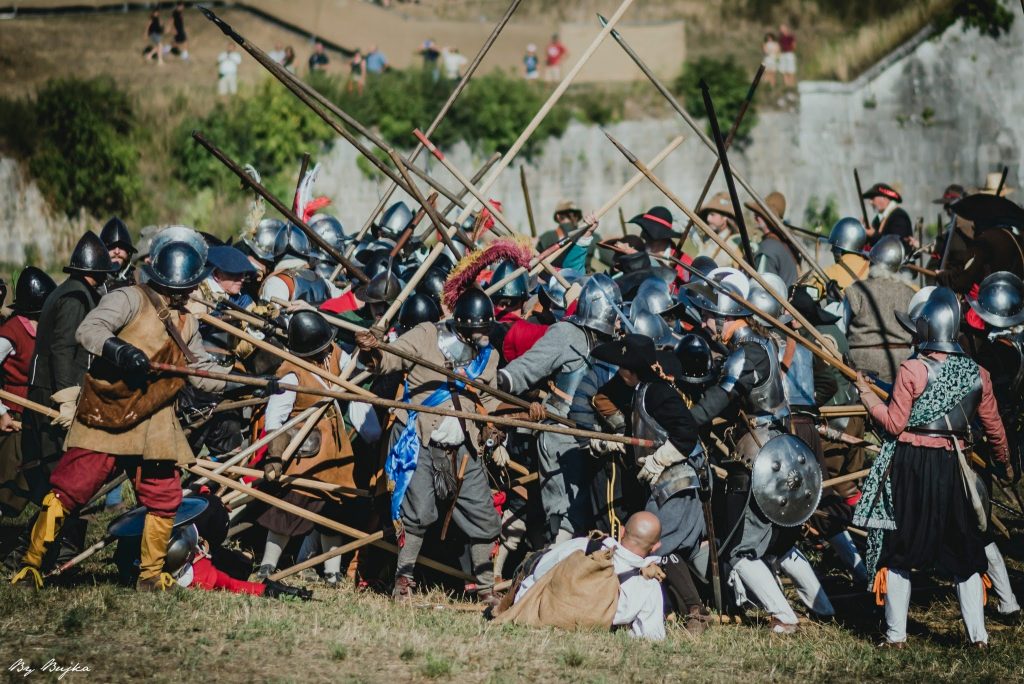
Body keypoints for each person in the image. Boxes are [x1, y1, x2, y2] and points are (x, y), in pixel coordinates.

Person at [10, 228, 242, 591]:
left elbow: (200, 373)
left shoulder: (187, 321)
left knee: (164, 496)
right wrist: (120, 351)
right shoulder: (128, 298)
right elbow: (89, 330)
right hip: (110, 411)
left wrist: (239, 381)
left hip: (155, 418)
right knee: (69, 488)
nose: (186, 293)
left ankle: (150, 577)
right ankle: (31, 564)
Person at [853, 287, 1012, 647]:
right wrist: (1003, 462)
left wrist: (865, 395)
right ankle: (978, 638)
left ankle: (896, 636)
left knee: (900, 550)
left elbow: (894, 424)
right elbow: (994, 428)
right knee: (964, 551)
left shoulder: (912, 368)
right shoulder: (978, 373)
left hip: (911, 466)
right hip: (954, 464)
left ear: (925, 327)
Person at [355, 288, 502, 605]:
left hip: (463, 448)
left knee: (484, 518)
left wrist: (495, 425)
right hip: (418, 440)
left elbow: (489, 401)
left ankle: (486, 589)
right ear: (463, 325)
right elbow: (388, 359)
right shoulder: (426, 335)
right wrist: (373, 350)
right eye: (478, 330)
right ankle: (403, 582)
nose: (483, 336)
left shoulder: (488, 356)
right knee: (418, 514)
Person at [497, 275, 623, 542]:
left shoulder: (614, 345)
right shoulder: (567, 333)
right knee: (567, 513)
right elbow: (528, 366)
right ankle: (559, 554)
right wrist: (501, 381)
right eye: (616, 313)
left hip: (597, 437)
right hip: (561, 430)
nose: (620, 320)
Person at [500, 512, 667, 640]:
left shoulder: (584, 546)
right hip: (591, 631)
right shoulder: (649, 584)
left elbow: (539, 573)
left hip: (542, 615)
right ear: (655, 546)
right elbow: (652, 636)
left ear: (621, 531)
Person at [0, 268, 56, 518]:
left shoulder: (44, 328)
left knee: (33, 471)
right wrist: (2, 413)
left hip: (35, 413)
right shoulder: (11, 332)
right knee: (7, 476)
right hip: (12, 414)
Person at [843, 236, 916, 385]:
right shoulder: (911, 293)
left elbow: (843, 326)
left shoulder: (857, 289)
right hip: (901, 363)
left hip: (863, 363)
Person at [749, 192, 798, 289]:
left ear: (767, 218)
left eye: (759, 214)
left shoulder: (768, 248)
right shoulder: (782, 244)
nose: (755, 217)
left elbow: (761, 291)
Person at [861, 182, 914, 251]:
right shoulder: (877, 219)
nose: (870, 202)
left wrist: (873, 234)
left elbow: (896, 244)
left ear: (885, 198)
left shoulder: (899, 216)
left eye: (873, 198)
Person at [99, 216, 137, 290]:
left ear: (128, 252)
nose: (117, 252)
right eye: (112, 246)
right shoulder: (94, 281)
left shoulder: (138, 278)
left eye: (121, 247)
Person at [778, 24, 797, 91]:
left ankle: (792, 86)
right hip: (783, 54)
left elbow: (794, 45)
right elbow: (779, 47)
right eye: (781, 29)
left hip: (789, 54)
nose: (781, 30)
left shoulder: (791, 36)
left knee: (791, 71)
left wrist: (790, 49)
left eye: (782, 29)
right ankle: (787, 87)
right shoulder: (780, 38)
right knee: (784, 71)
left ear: (786, 29)